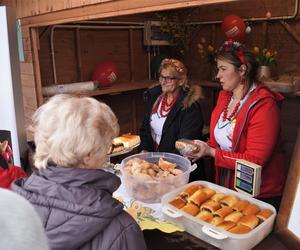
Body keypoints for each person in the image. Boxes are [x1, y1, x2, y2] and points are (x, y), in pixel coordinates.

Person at [12, 94, 147, 250]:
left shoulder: (13, 209)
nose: (107, 154)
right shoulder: (122, 230)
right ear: (87, 156)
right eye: (107, 146)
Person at [188, 40, 286, 211]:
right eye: (218, 69)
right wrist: (203, 147)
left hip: (258, 197)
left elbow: (254, 161)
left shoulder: (264, 105)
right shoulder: (225, 96)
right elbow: (218, 141)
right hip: (227, 188)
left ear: (242, 70)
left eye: (223, 69)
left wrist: (212, 152)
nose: (217, 75)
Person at [139, 58, 205, 180]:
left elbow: (185, 145)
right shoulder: (154, 98)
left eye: (169, 78)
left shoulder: (190, 107)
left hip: (178, 171)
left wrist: (161, 163)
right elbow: (144, 129)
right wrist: (145, 151)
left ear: (181, 81)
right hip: (154, 168)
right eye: (161, 77)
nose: (163, 82)